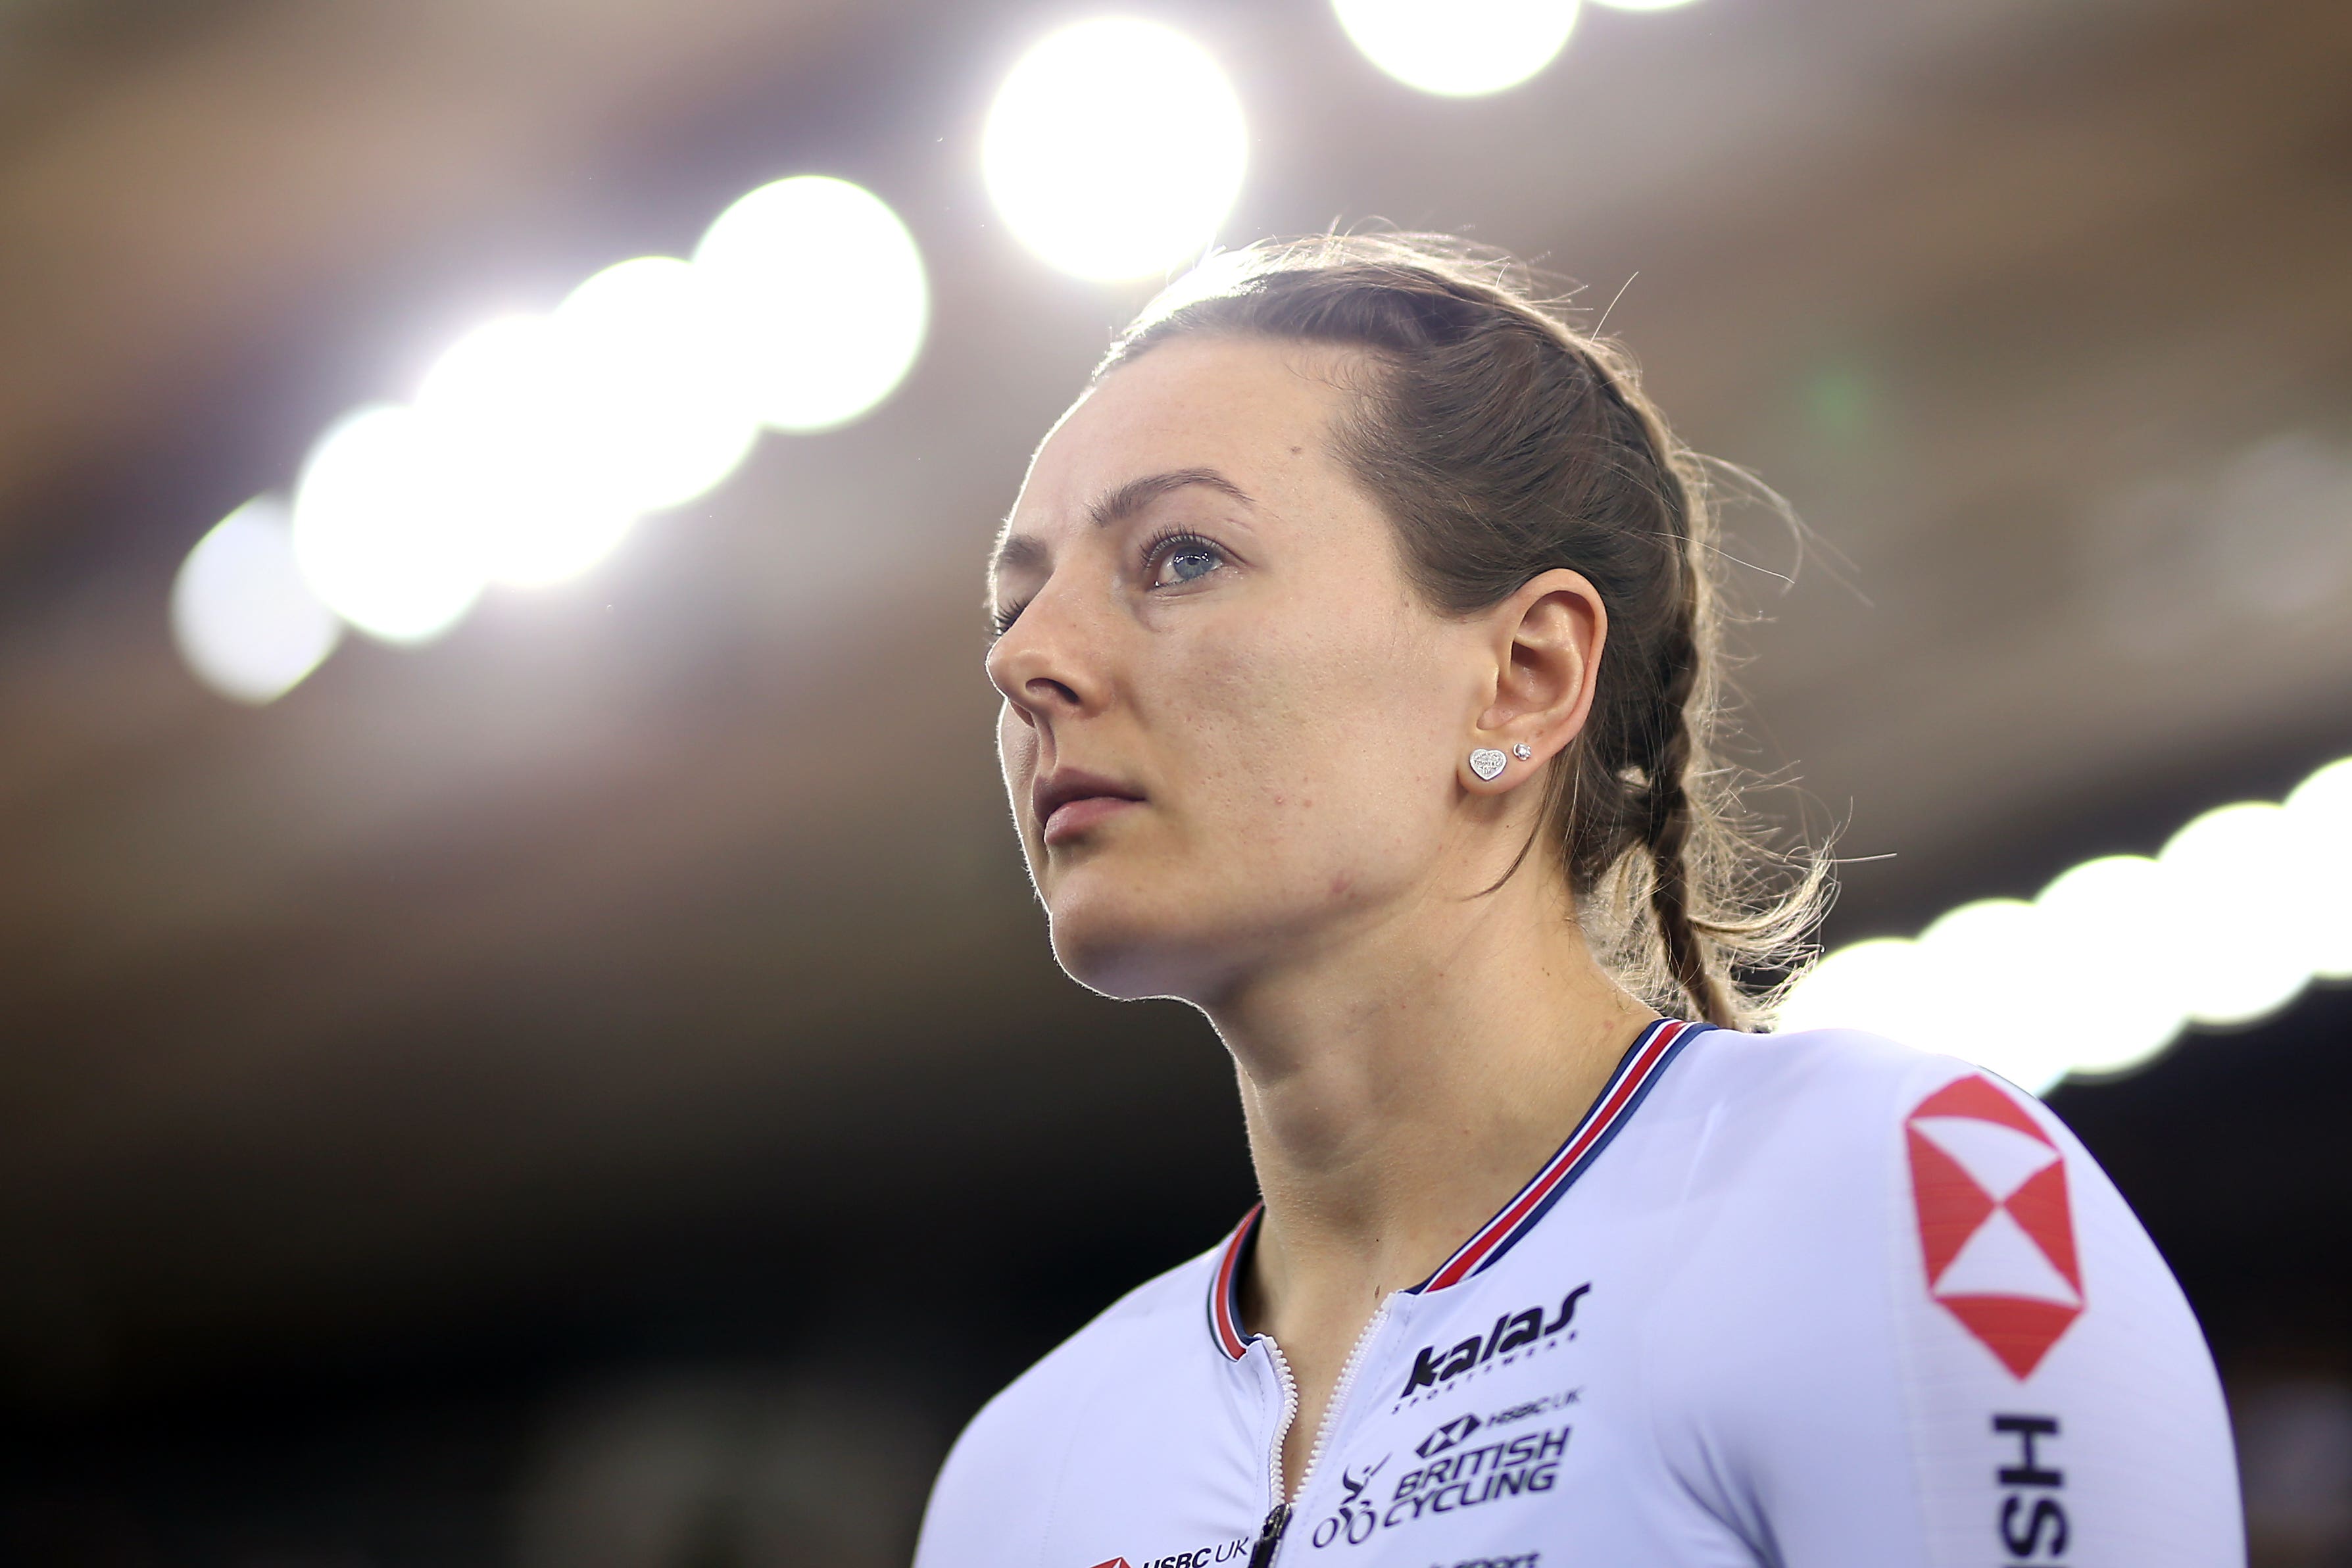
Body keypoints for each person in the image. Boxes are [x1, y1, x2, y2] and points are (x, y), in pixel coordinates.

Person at [913, 234, 2242, 1567]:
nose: (1027, 658)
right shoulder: (1024, 1472)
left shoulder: (1888, 1197)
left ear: (1526, 677)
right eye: (1013, 603)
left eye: (1180, 556)